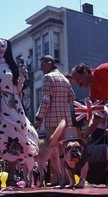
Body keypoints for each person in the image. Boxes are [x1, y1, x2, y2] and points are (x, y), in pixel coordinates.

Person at [0, 38, 39, 186]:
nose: (0, 48)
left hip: (12, 107)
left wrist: (22, 77)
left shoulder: (11, 67)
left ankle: (10, 177)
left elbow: (17, 89)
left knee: (15, 138)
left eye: (2, 46)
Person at [34, 55, 76, 185]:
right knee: (65, 150)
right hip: (66, 120)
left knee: (54, 152)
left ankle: (56, 180)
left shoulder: (48, 78)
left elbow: (46, 99)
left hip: (52, 120)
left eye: (42, 65)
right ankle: (69, 179)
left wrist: (39, 118)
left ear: (50, 63)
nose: (41, 68)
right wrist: (62, 103)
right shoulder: (65, 79)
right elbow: (72, 97)